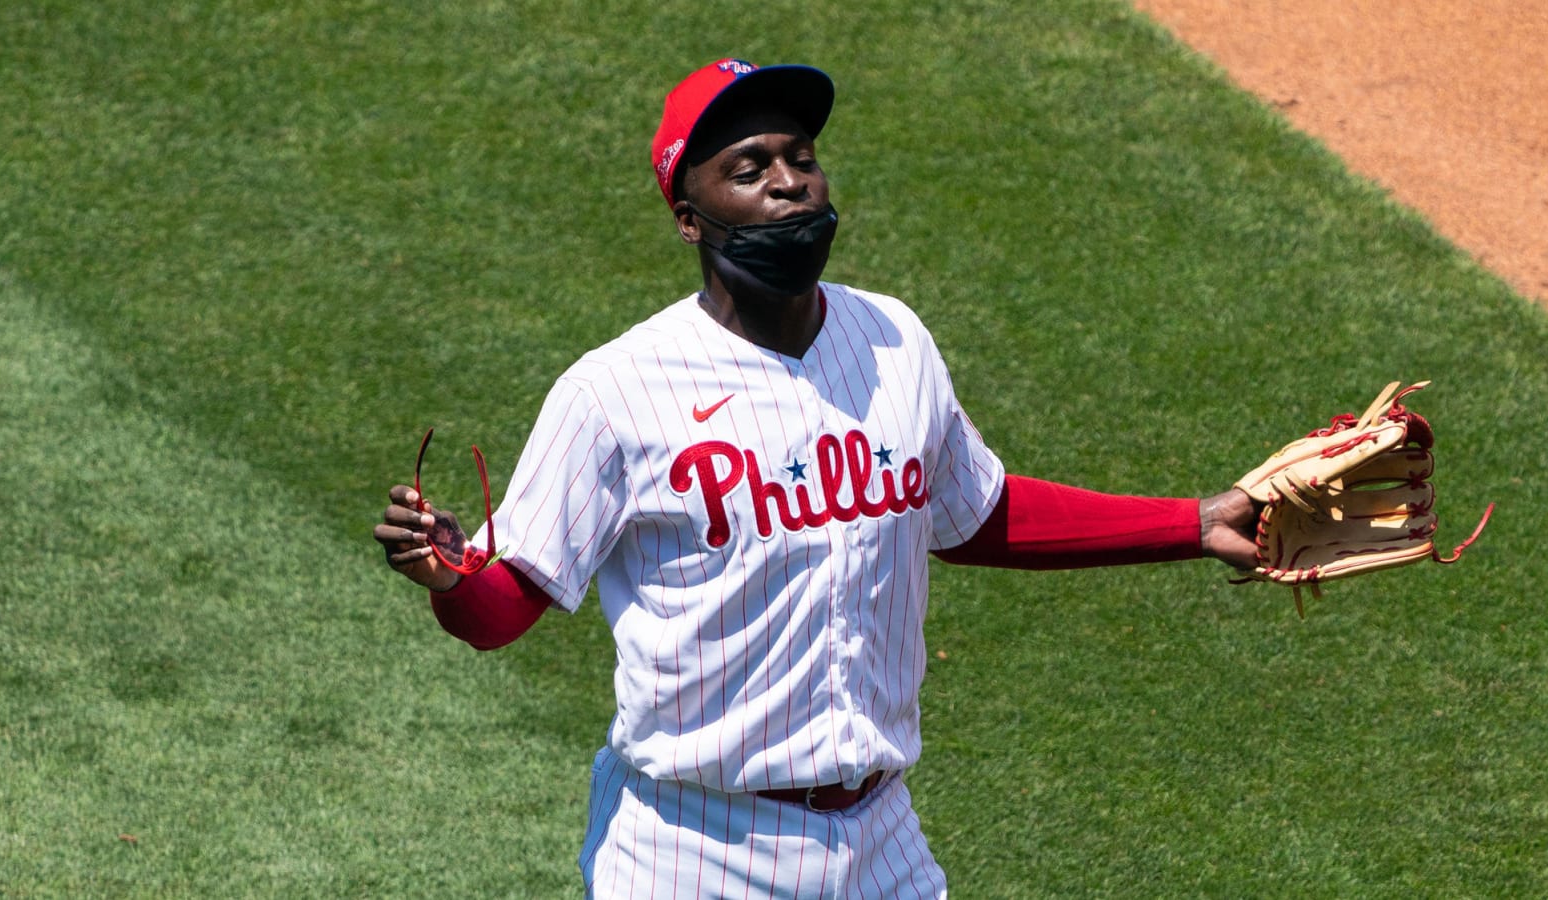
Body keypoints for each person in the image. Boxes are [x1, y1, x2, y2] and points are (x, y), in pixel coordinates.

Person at [374, 58, 1260, 899]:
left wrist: (1192, 522)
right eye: (748, 167)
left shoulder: (893, 340)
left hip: (881, 838)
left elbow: (974, 514)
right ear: (690, 215)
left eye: (801, 159)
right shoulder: (616, 392)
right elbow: (503, 607)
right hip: (694, 848)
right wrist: (449, 578)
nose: (789, 181)